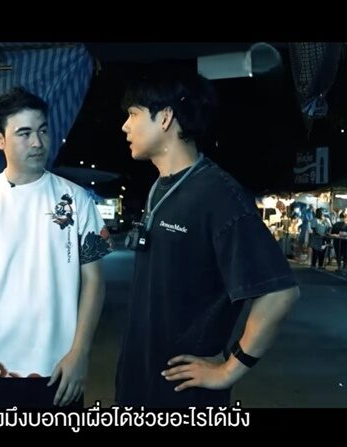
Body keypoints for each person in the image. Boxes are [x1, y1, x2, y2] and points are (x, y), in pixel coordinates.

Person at [116, 64, 299, 408]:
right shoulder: (159, 188)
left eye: (133, 114)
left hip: (185, 397)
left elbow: (280, 292)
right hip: (139, 382)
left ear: (165, 117)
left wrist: (229, 369)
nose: (125, 125)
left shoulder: (220, 195)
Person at [0, 87, 113, 408]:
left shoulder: (76, 201)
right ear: (0, 140)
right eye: (24, 133)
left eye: (42, 130)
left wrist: (80, 353)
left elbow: (94, 282)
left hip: (60, 369)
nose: (37, 142)